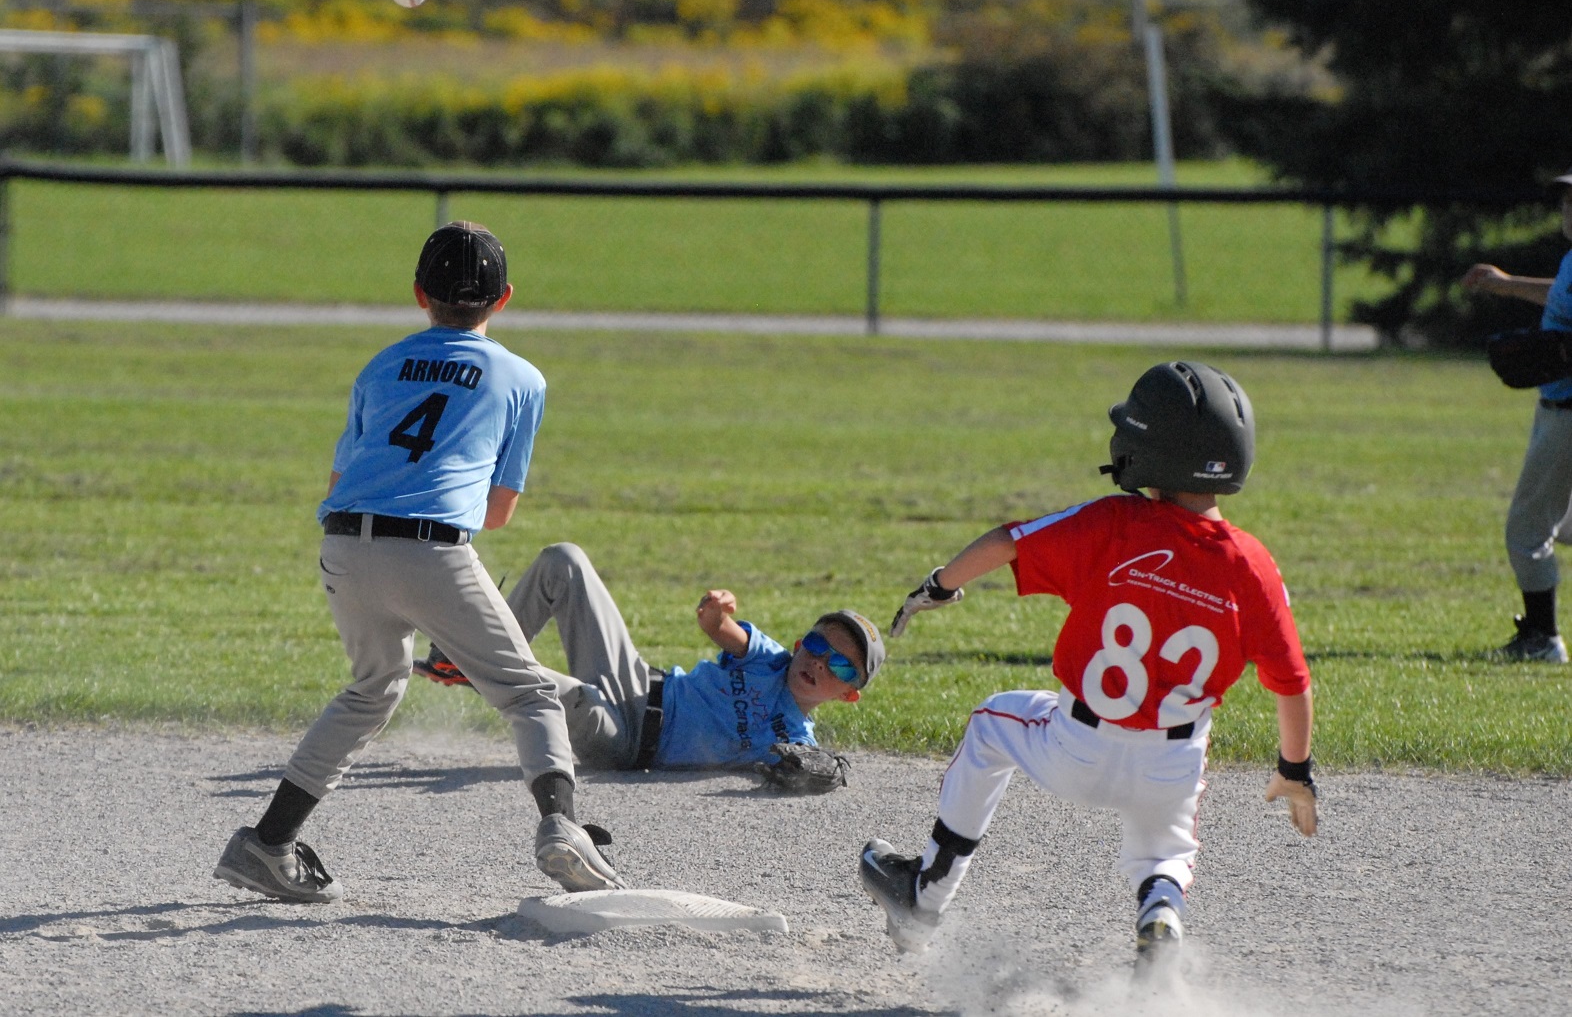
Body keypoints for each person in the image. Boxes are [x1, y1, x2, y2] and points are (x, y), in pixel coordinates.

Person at [215, 221, 623, 904]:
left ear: (418, 294)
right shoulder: (522, 377)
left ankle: (269, 842)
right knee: (528, 692)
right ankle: (561, 827)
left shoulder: (380, 365)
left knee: (373, 688)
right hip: (430, 548)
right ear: (505, 298)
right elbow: (497, 514)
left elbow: (340, 482)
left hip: (343, 544)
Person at [857, 361, 1318, 961]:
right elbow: (1291, 682)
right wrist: (1294, 770)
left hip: (1075, 746)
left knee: (992, 724)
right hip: (1172, 760)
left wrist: (940, 585)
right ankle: (1159, 918)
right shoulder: (1253, 566)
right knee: (1163, 856)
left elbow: (1007, 541)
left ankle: (925, 895)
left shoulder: (1113, 524)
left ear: (1147, 446)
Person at [410, 541, 883, 782]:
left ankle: (474, 661)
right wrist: (716, 611)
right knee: (564, 560)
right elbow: (721, 630)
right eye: (819, 648)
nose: (820, 665)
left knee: (571, 696)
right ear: (801, 643)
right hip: (635, 681)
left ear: (849, 695)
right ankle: (464, 658)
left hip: (626, 742)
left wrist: (812, 774)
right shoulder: (771, 661)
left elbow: (808, 771)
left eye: (841, 668)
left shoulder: (795, 740)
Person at [1462, 168, 1572, 664]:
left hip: (1568, 413)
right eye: (1566, 200)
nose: (1568, 209)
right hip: (1556, 407)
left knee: (1525, 531)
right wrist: (1506, 286)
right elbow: (1559, 294)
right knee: (1563, 524)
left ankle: (1542, 638)